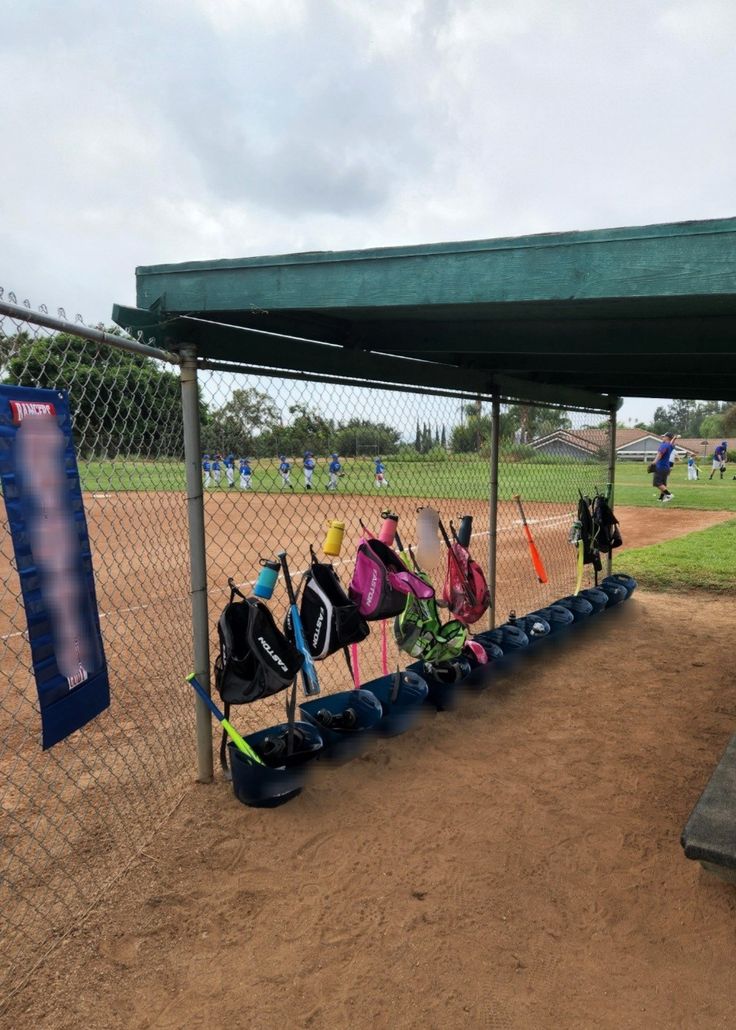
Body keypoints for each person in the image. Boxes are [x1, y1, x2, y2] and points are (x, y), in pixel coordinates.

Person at [651, 432, 675, 503]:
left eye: (664, 436)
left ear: (667, 438)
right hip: (666, 467)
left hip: (660, 466)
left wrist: (654, 462)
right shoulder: (670, 446)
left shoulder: (664, 445)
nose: (662, 437)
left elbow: (660, 454)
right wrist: (674, 438)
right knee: (663, 483)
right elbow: (671, 443)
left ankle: (669, 495)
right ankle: (661, 498)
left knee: (656, 483)